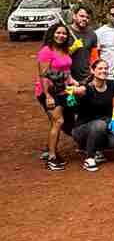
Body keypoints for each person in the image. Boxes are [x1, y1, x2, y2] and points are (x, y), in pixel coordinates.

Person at [68, 57, 114, 171]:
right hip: (82, 129)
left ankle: (97, 149)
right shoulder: (86, 88)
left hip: (103, 126)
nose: (104, 70)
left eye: (106, 68)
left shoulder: (112, 85)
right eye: (100, 68)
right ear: (92, 70)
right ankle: (89, 158)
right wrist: (74, 95)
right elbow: (75, 102)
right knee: (99, 125)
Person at [35, 20, 73, 170]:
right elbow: (44, 75)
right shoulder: (46, 51)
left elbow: (66, 71)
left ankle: (50, 149)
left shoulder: (64, 50)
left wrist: (73, 83)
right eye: (58, 33)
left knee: (55, 122)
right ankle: (51, 157)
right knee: (58, 121)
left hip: (61, 90)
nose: (61, 35)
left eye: (64, 33)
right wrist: (47, 96)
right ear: (52, 34)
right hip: (48, 91)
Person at [68, 4, 98, 82]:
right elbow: (57, 56)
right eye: (81, 16)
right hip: (67, 77)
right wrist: (71, 49)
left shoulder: (92, 34)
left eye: (87, 17)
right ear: (74, 16)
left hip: (86, 77)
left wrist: (94, 69)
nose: (84, 19)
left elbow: (94, 56)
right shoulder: (65, 32)